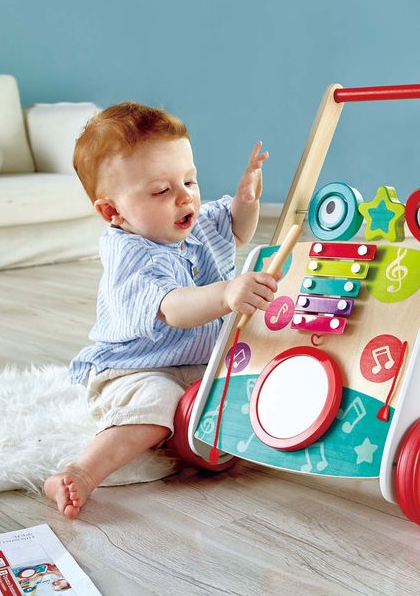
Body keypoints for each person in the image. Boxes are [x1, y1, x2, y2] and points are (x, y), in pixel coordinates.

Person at [43, 102, 277, 518]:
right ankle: (82, 471)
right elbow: (173, 308)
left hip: (202, 361)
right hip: (138, 367)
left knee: (261, 380)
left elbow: (238, 230)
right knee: (156, 404)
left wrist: (247, 200)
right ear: (113, 212)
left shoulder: (191, 218)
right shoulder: (130, 255)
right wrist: (226, 293)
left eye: (189, 180)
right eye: (161, 191)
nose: (185, 197)